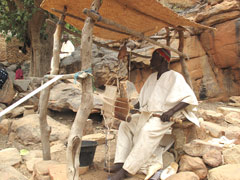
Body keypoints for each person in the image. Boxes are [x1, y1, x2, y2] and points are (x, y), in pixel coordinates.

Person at [108, 48, 199, 180]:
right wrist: (133, 108)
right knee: (125, 125)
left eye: (153, 58)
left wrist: (171, 111)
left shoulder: (175, 77)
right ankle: (120, 162)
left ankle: (127, 170)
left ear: (162, 59)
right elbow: (143, 99)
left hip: (164, 117)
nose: (150, 61)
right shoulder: (151, 78)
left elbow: (189, 98)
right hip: (147, 114)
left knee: (147, 131)